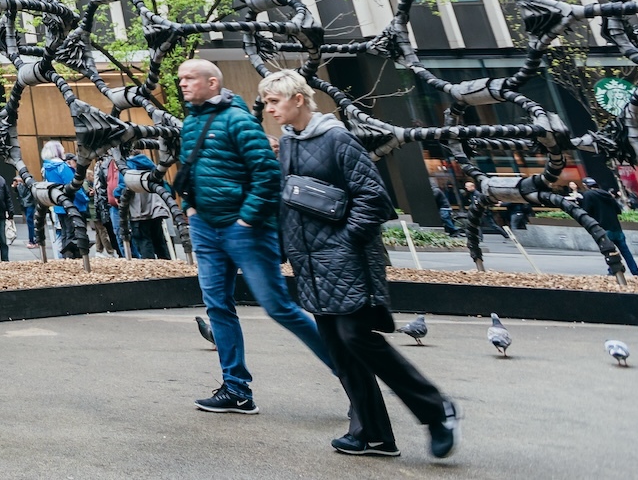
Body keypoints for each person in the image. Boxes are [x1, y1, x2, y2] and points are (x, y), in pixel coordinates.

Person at [263, 70, 459, 459]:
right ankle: (373, 435)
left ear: (298, 99)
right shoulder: (288, 144)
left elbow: (375, 199)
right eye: (267, 102)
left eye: (274, 101)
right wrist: (288, 247)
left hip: (345, 261)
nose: (269, 109)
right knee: (339, 348)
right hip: (311, 267)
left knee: (357, 338)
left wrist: (345, 242)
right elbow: (292, 202)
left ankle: (437, 410)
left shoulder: (337, 138)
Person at [176, 58, 335, 414]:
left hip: (243, 230)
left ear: (213, 83)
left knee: (279, 308)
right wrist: (191, 207)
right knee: (217, 306)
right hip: (206, 228)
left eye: (190, 78)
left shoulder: (238, 120)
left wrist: (245, 221)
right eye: (181, 78)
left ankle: (352, 377)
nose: (183, 84)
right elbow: (188, 165)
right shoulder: (191, 121)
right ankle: (236, 390)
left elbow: (266, 174)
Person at [578, 176, 638, 277]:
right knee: (626, 253)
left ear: (586, 185)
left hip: (603, 228)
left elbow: (586, 212)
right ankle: (636, 273)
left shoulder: (588, 195)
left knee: (610, 252)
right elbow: (618, 210)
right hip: (616, 228)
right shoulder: (607, 194)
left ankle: (612, 272)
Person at [118, 154, 174, 259]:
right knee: (159, 241)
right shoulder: (151, 166)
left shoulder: (127, 167)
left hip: (138, 211)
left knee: (144, 242)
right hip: (155, 209)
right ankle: (167, 266)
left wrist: (116, 194)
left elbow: (122, 186)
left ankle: (151, 271)